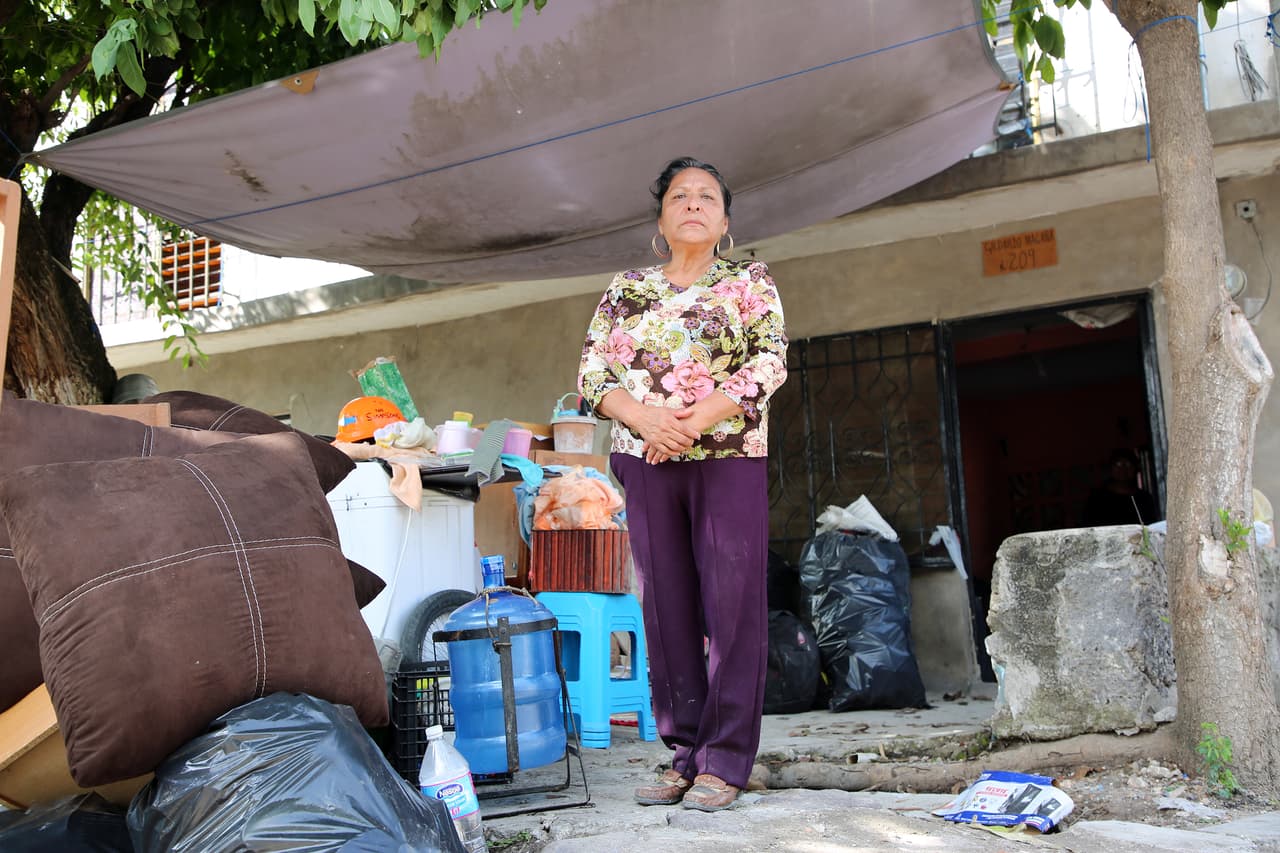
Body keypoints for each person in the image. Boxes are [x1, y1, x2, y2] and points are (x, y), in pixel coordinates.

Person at [577, 157, 788, 812]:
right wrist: (643, 418)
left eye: (706, 196)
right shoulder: (627, 288)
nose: (692, 203)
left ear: (724, 220)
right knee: (664, 608)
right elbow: (592, 370)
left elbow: (769, 359)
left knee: (731, 603)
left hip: (727, 453)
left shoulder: (749, 280)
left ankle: (725, 760)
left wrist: (695, 419)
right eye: (678, 195)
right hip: (646, 458)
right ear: (661, 218)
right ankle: (685, 753)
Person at [1082, 448, 1159, 526]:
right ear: (1110, 468)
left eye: (1128, 464)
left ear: (1135, 468)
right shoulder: (1097, 498)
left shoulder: (1144, 498)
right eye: (1118, 464)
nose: (1123, 469)